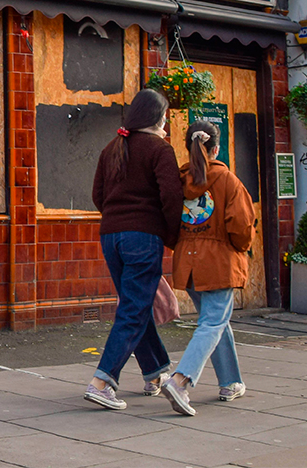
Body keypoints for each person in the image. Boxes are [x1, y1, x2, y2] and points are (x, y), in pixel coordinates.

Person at [85, 89, 184, 410]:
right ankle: (102, 381)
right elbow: (172, 198)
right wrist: (171, 236)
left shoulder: (112, 148)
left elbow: (98, 195)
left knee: (135, 304)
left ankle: (155, 371)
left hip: (111, 236)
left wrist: (118, 216)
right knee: (133, 308)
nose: (167, 121)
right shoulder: (159, 149)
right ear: (157, 118)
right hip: (143, 236)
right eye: (165, 115)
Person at [160, 121, 254, 416]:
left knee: (215, 321)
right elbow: (241, 228)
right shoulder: (227, 181)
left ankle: (230, 381)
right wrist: (240, 248)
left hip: (188, 262)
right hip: (219, 263)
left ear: (188, 147)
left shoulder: (178, 181)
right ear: (216, 148)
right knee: (213, 323)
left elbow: (168, 221)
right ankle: (180, 380)